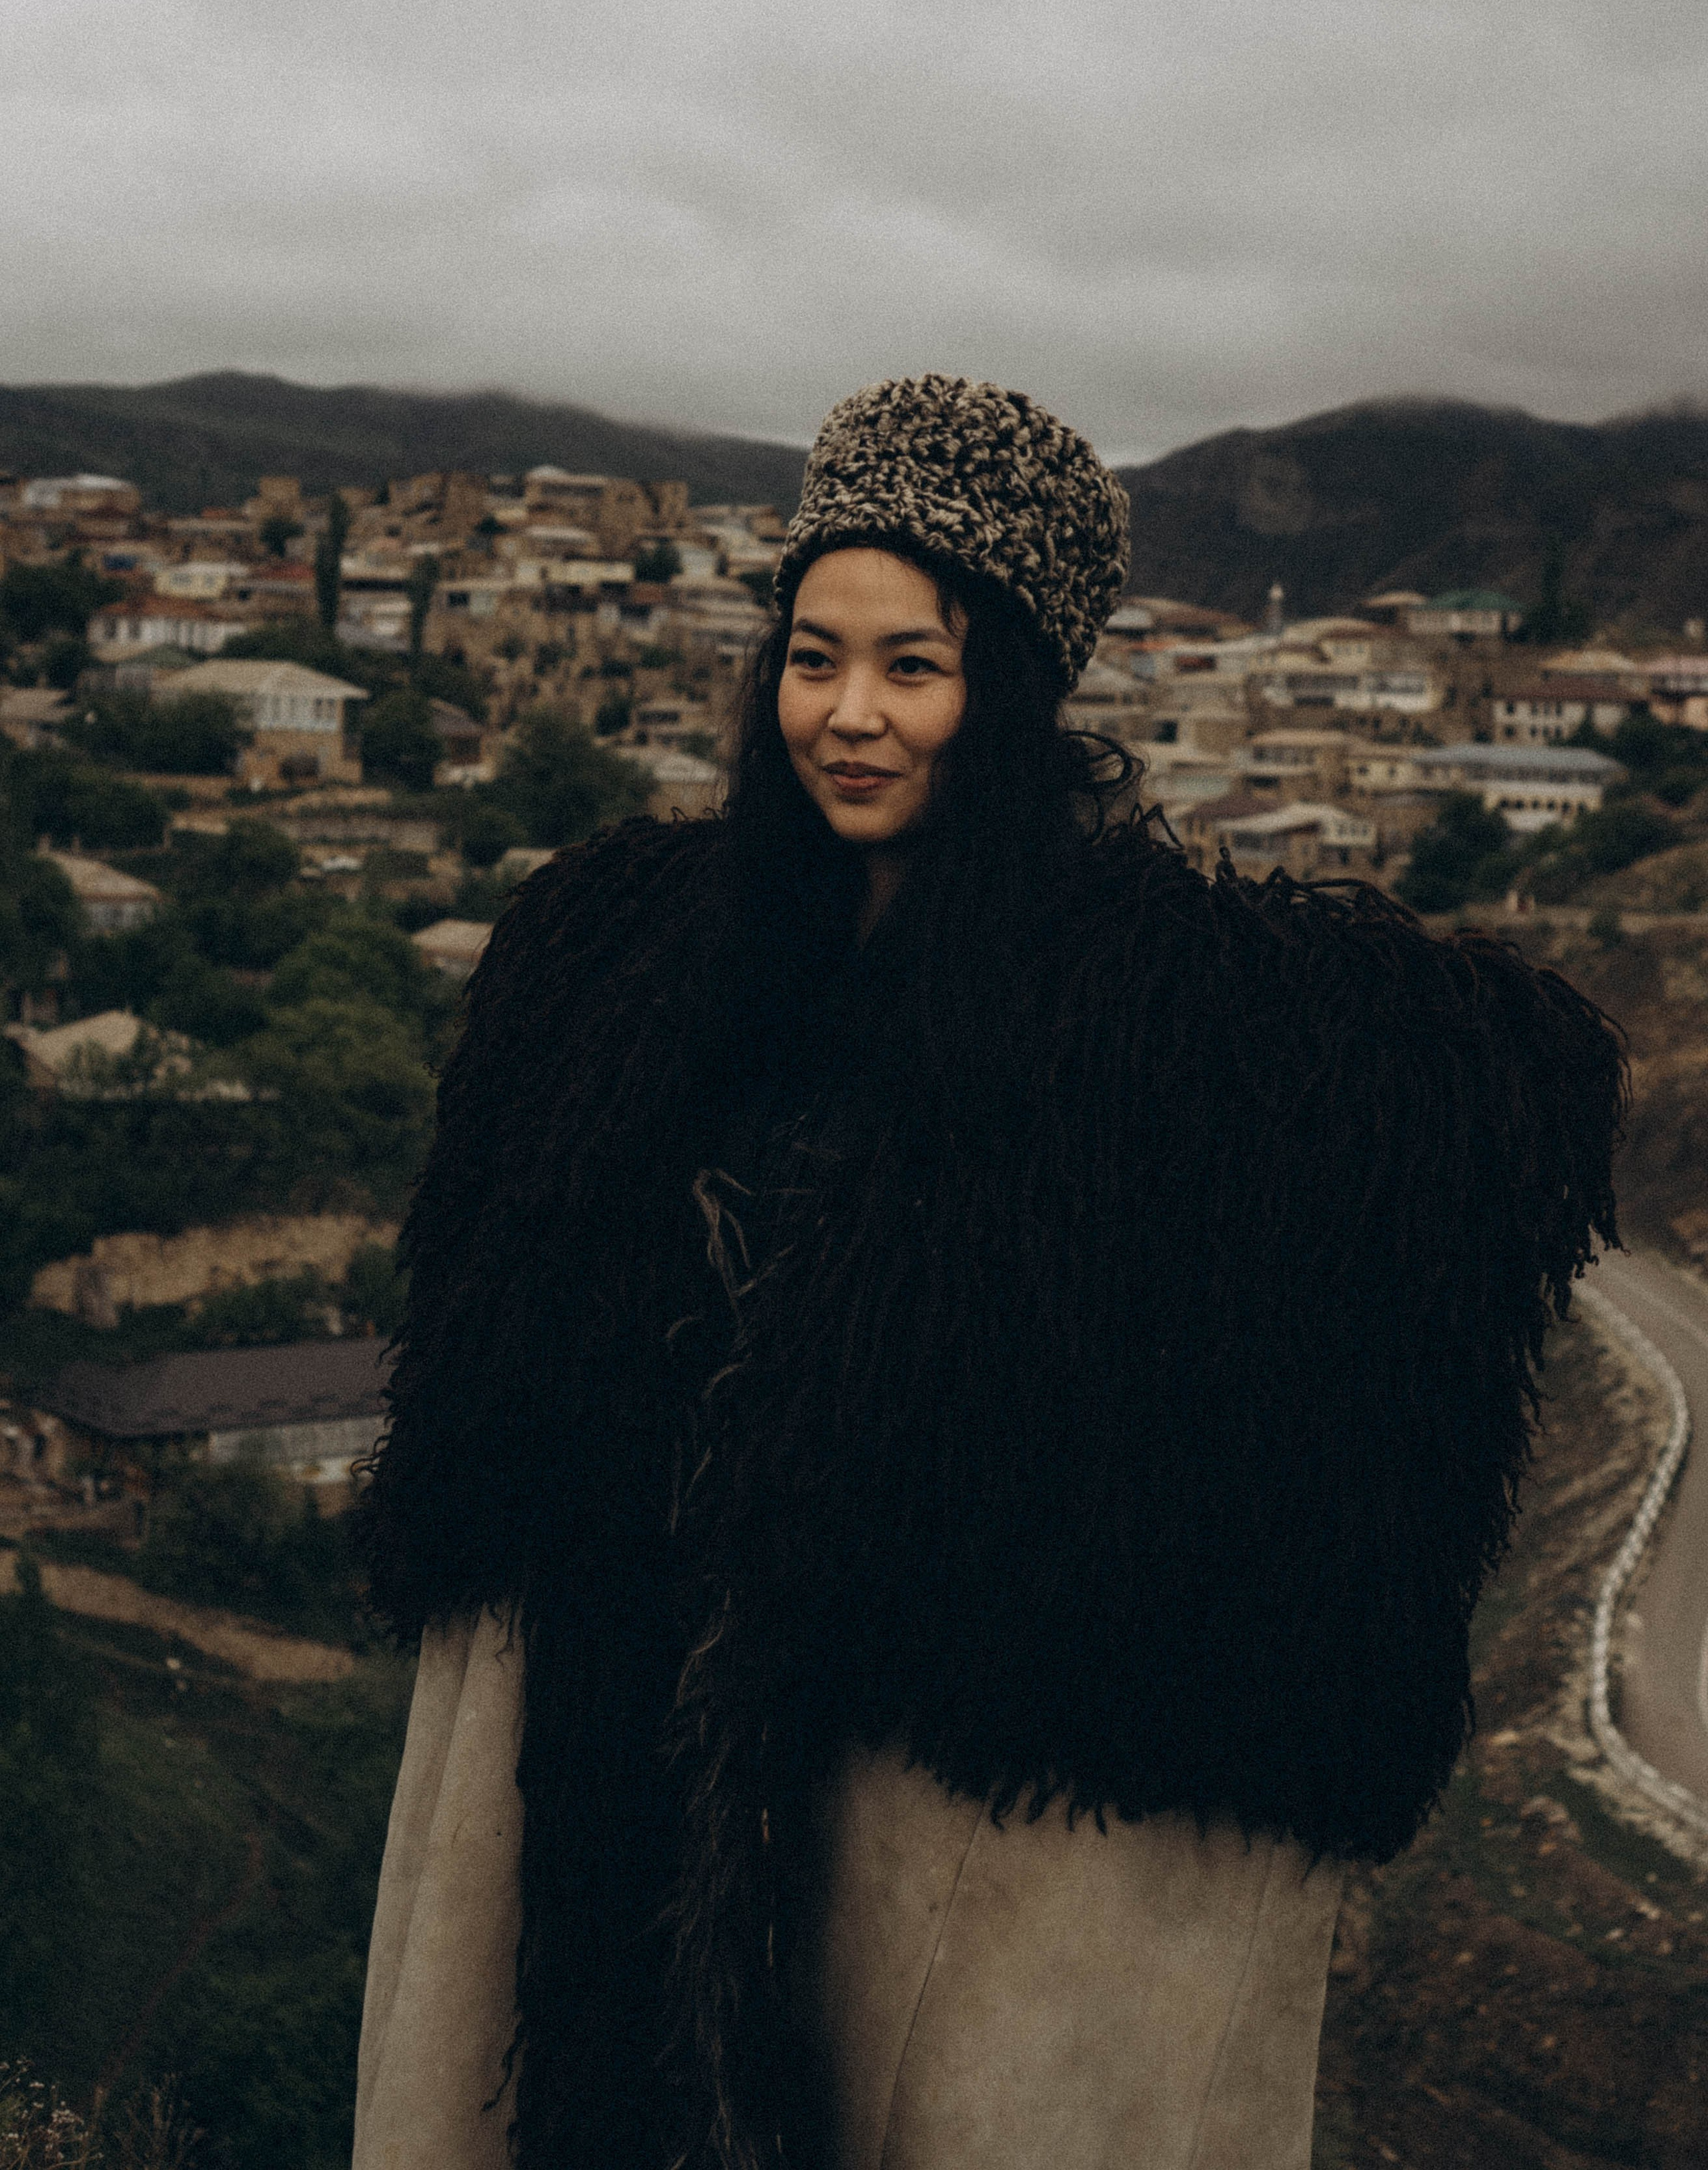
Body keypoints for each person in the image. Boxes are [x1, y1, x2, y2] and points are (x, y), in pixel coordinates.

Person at [352, 376, 1623, 2170]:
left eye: (913, 670)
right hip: (602, 1768)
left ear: (1007, 697)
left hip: (883, 1814)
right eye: (813, 657)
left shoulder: (1143, 1047)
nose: (848, 717)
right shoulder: (631, 975)